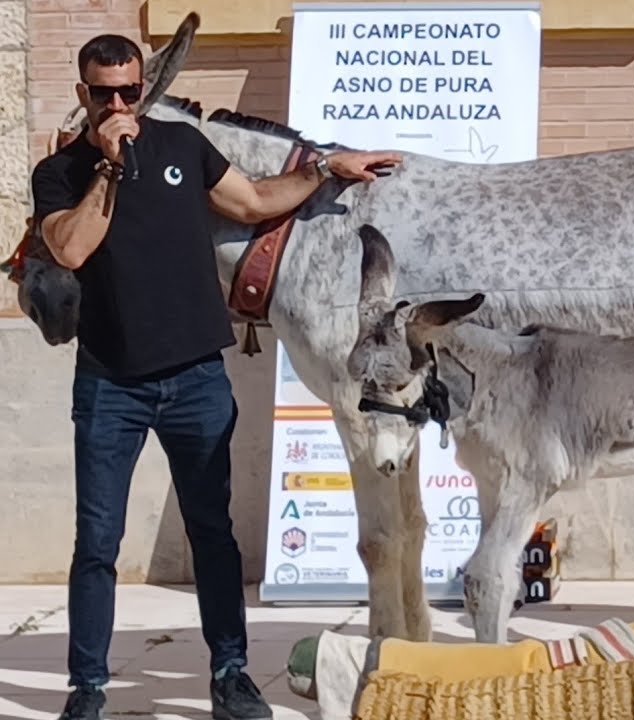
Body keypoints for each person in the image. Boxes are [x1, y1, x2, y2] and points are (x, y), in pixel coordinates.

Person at [30, 34, 403, 720]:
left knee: (213, 534)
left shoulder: (182, 146)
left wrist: (327, 166)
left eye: (130, 91)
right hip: (112, 384)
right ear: (84, 94)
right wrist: (110, 169)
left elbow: (257, 201)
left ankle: (231, 674)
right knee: (98, 543)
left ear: (144, 90)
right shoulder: (61, 171)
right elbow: (73, 246)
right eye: (103, 93)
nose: (118, 103)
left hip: (198, 376)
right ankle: (87, 689)